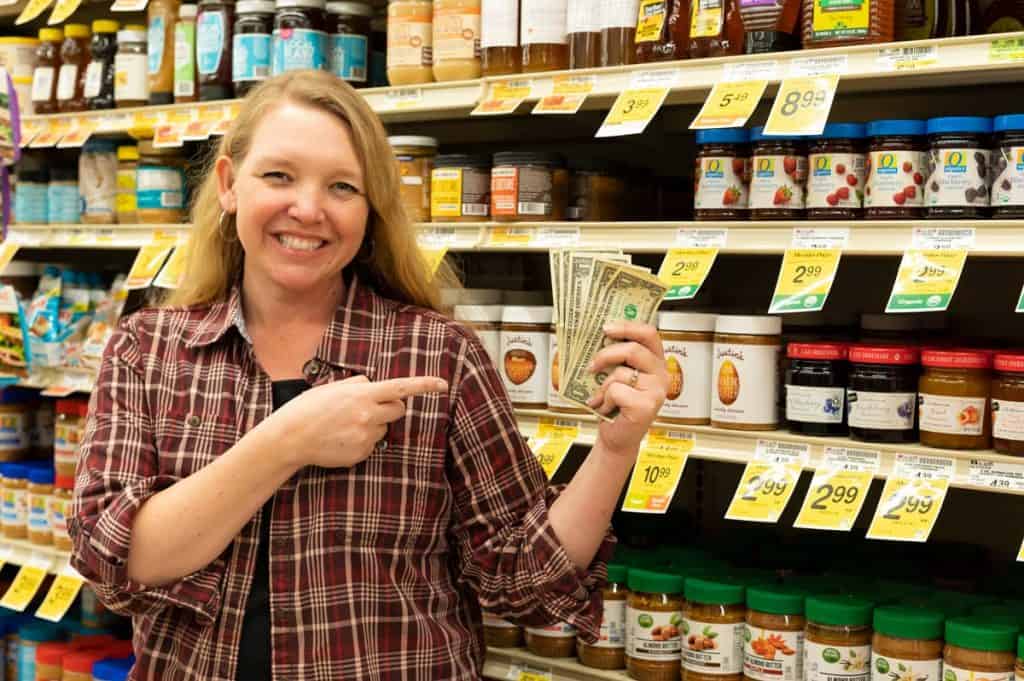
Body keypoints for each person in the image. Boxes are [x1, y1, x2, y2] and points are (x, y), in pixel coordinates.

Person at [70, 70, 669, 681]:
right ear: (228, 184)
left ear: (371, 208)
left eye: (342, 187)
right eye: (278, 175)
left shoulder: (438, 355)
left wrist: (617, 449)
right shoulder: (147, 350)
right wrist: (287, 440)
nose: (307, 209)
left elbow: (522, 583)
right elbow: (112, 559)